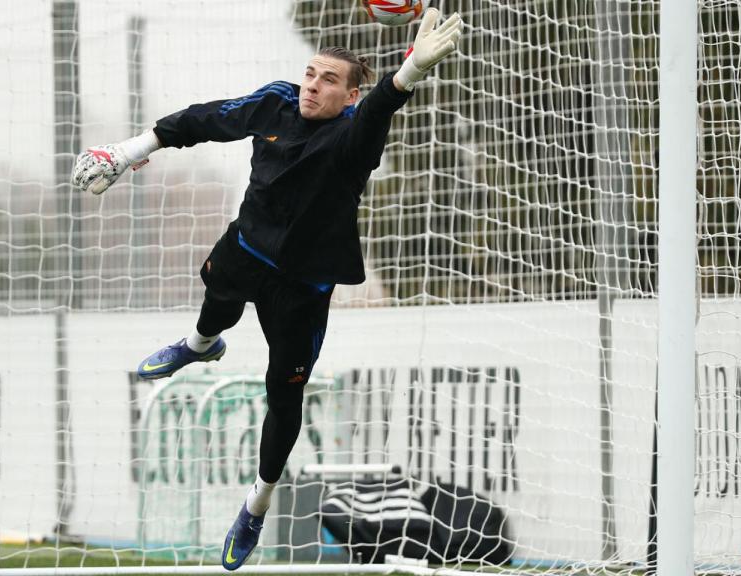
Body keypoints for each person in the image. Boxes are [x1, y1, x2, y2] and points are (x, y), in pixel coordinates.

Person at [72, 9, 463, 570]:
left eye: (329, 80)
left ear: (350, 96)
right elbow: (209, 119)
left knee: (283, 397)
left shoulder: (355, 134)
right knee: (218, 298)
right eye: (310, 73)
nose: (312, 85)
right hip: (247, 248)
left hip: (303, 288)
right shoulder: (278, 101)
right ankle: (200, 343)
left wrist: (406, 75)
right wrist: (134, 149)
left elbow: (380, 107)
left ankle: (255, 505)